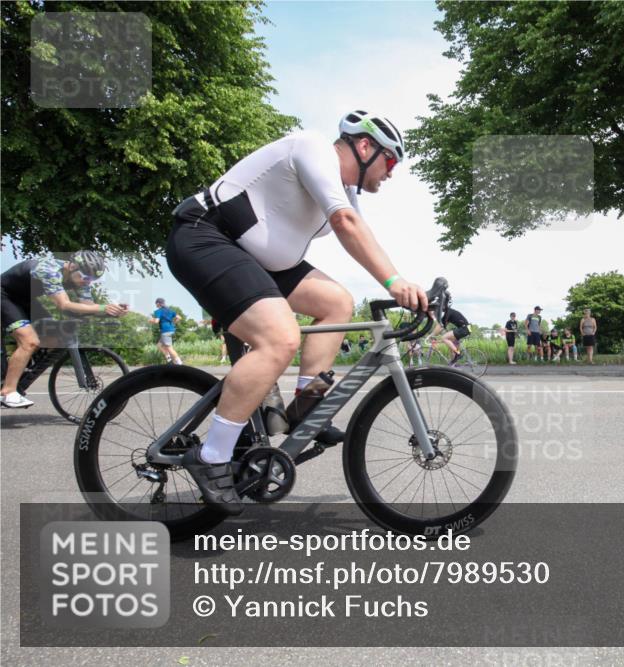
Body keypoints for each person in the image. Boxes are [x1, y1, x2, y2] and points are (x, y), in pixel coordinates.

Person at [165, 111, 426, 514]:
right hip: (206, 237)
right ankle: (212, 455)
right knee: (282, 337)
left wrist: (402, 281)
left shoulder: (346, 191)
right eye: (390, 161)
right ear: (364, 146)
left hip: (257, 260)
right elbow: (345, 223)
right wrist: (394, 283)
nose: (390, 173)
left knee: (337, 303)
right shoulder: (311, 148)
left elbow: (360, 232)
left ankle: (305, 406)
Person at [1, 251, 128, 408]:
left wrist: (112, 311)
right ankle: (8, 392)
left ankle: (19, 367)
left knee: (57, 336)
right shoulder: (48, 270)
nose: (87, 281)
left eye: (93, 279)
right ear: (72, 266)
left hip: (26, 300)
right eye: (86, 277)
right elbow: (64, 305)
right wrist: (103, 307)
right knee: (30, 341)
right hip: (4, 296)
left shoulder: (81, 279)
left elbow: (88, 307)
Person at [150, 298, 182, 365]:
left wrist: (151, 320)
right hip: (170, 330)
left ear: (158, 303)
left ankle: (180, 363)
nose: (155, 305)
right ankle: (169, 361)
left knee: (169, 348)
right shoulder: (170, 310)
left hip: (165, 331)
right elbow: (179, 317)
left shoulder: (158, 311)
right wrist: (174, 323)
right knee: (159, 345)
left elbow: (156, 321)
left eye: (156, 303)